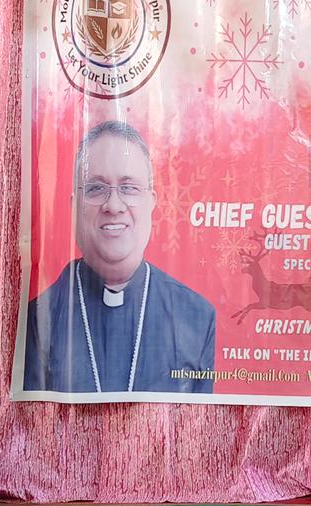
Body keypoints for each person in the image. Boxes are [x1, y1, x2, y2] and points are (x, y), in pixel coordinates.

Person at [23, 120, 217, 394]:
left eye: (129, 188)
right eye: (95, 188)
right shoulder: (38, 318)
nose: (113, 206)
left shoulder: (196, 316)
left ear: (151, 202)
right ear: (74, 206)